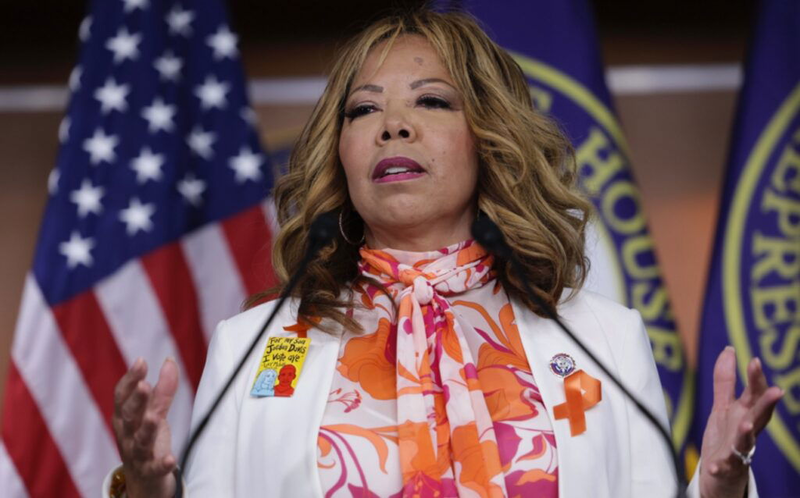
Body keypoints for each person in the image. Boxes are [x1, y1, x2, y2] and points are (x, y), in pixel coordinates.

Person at [107, 9, 783, 498]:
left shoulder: (603, 338)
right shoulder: (253, 348)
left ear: (489, 138)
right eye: (363, 110)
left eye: (431, 101)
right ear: (339, 154)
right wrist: (147, 489)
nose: (393, 125)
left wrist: (720, 486)